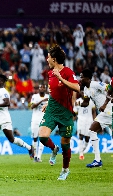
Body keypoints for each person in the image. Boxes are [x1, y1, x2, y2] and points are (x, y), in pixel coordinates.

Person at [39, 45, 80, 180]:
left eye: (49, 57)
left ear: (54, 59)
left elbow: (77, 87)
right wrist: (48, 103)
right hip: (52, 110)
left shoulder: (67, 72)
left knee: (65, 143)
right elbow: (54, 92)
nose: (47, 59)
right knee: (43, 137)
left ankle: (65, 170)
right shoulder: (50, 73)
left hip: (65, 112)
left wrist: (61, 78)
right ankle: (53, 149)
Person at [0, 74, 34, 168]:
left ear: (2, 81)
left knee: (12, 139)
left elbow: (7, 102)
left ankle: (29, 148)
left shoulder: (4, 91)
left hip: (4, 119)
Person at [79, 68, 112, 168]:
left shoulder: (96, 84)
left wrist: (105, 103)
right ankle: (97, 160)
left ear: (88, 78)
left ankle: (97, 160)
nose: (80, 79)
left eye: (82, 77)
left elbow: (110, 88)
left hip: (108, 110)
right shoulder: (85, 89)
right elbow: (86, 102)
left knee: (92, 130)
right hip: (106, 112)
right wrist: (76, 104)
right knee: (92, 131)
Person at [73, 93, 96, 160]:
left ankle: (83, 150)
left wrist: (95, 120)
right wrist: (71, 121)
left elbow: (93, 111)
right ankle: (81, 154)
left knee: (87, 138)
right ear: (81, 93)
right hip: (80, 121)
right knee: (80, 136)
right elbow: (75, 113)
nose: (84, 94)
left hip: (89, 121)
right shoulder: (77, 102)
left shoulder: (90, 101)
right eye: (83, 92)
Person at [30, 84, 49, 162]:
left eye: (43, 87)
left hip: (44, 120)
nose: (41, 88)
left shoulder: (49, 97)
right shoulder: (35, 96)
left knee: (42, 138)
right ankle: (34, 156)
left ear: (45, 89)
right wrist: (42, 101)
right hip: (35, 120)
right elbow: (32, 106)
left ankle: (39, 157)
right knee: (35, 138)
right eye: (40, 87)